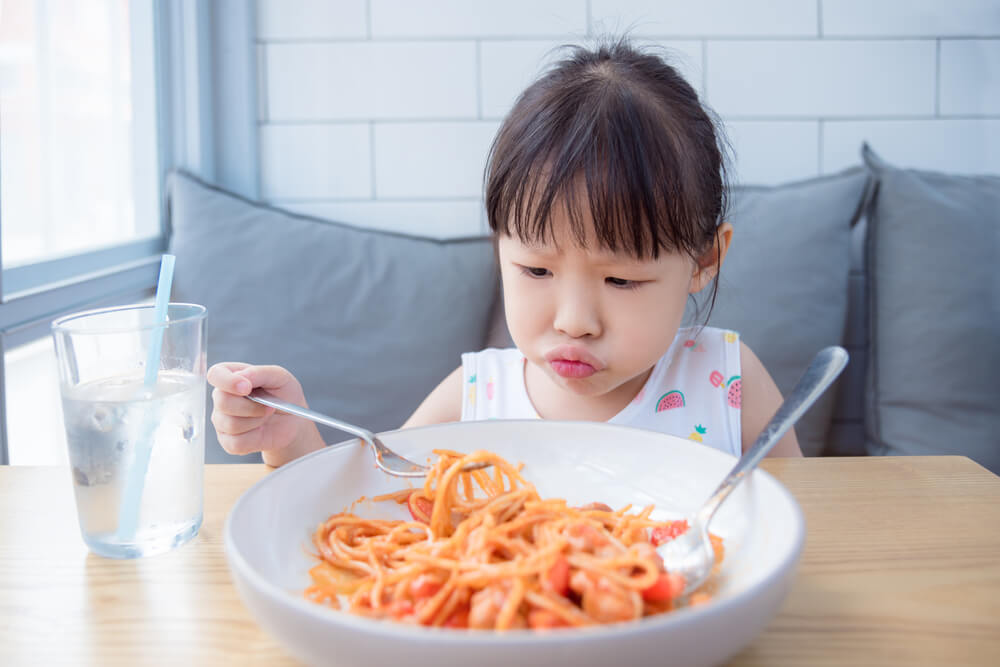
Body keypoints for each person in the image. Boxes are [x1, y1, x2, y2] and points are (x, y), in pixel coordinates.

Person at [206, 38, 803, 467]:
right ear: (500, 250)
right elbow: (372, 495)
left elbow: (802, 528)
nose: (574, 321)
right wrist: (290, 437)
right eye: (536, 269)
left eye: (621, 280)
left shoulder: (729, 382)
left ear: (704, 259)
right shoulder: (475, 397)